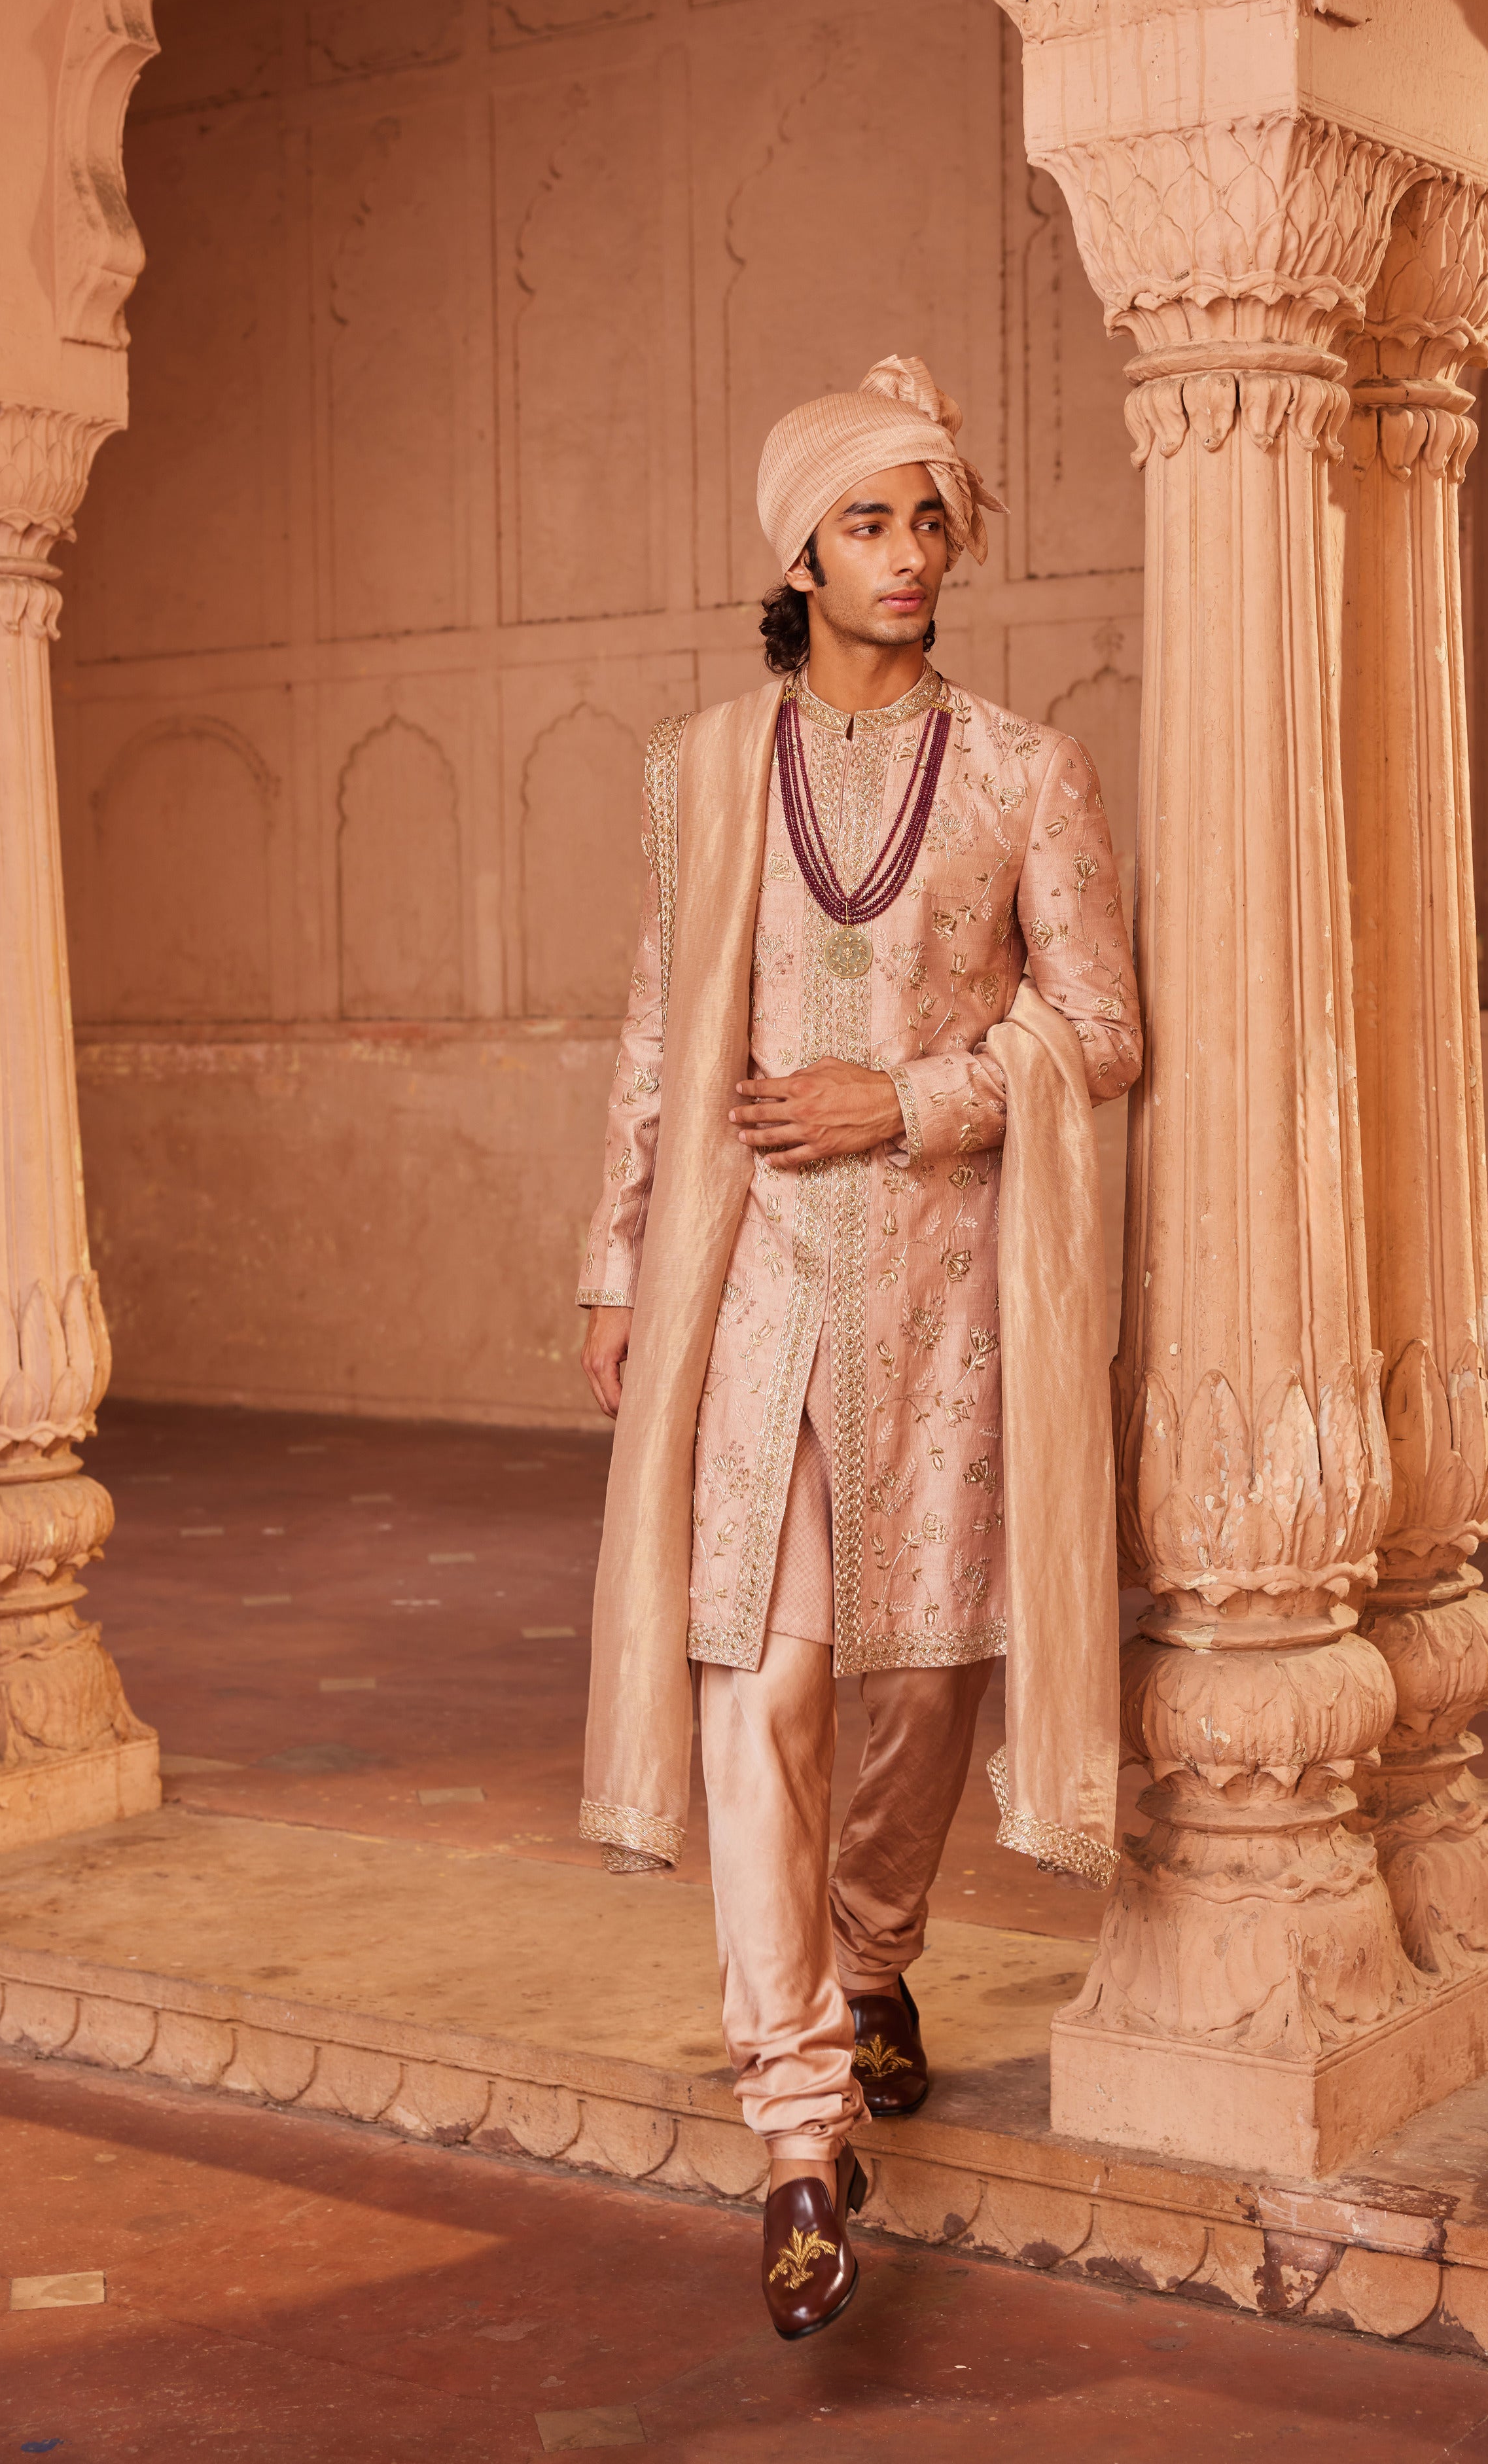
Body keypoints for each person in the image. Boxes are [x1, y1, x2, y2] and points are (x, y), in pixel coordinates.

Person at [576, 355, 1141, 2340]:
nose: (909, 555)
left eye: (929, 519)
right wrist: (620, 1255)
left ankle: (878, 1950)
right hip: (752, 1278)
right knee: (766, 1669)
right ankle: (800, 2130)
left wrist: (900, 1099)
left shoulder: (1025, 772)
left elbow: (1099, 1028)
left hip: (951, 1279)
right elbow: (665, 1023)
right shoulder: (705, 769)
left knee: (921, 1676)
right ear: (799, 552)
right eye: (867, 521)